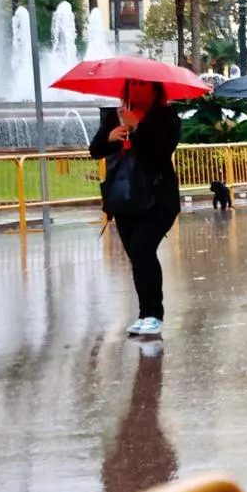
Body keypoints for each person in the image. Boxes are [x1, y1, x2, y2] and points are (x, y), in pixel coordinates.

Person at [89, 80, 181, 337]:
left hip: (158, 199)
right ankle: (144, 313)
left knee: (143, 250)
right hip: (125, 198)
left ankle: (154, 314)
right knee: (137, 258)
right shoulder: (112, 116)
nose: (138, 90)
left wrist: (136, 128)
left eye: (144, 85)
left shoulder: (167, 116)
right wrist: (111, 136)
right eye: (133, 85)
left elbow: (160, 152)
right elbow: (95, 150)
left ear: (155, 89)